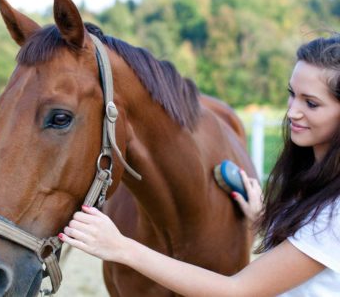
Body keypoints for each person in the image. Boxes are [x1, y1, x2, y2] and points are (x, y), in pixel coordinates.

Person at [58, 35, 340, 296]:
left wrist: (120, 247)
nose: (292, 111)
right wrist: (265, 217)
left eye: (311, 103)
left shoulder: (335, 212)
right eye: (292, 94)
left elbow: (238, 290)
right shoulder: (313, 180)